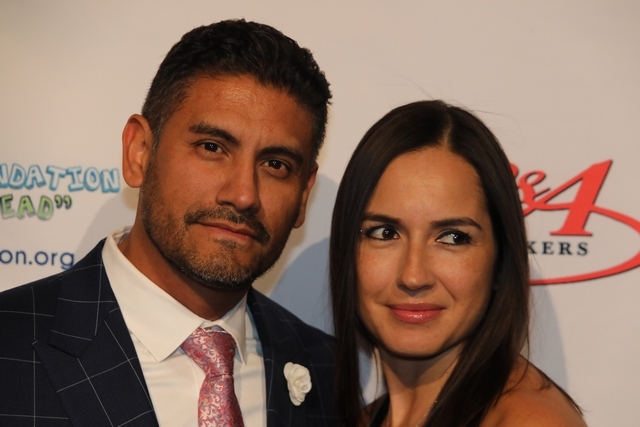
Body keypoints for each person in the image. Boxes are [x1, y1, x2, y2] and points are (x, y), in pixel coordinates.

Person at [0, 19, 341, 427]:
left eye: (275, 164)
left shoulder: (328, 372)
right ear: (140, 152)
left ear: (303, 195)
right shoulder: (9, 343)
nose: (243, 194)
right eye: (212, 147)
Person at [330, 100, 587, 427]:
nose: (413, 276)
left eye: (453, 238)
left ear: (500, 260)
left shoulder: (531, 421)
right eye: (385, 233)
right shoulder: (366, 418)